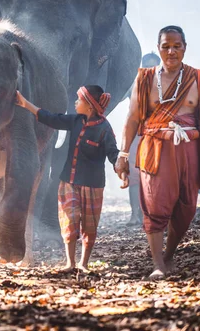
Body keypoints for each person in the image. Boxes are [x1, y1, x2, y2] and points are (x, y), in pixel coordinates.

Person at [115, 25, 200, 280]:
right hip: (155, 150)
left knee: (186, 209)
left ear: (185, 48)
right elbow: (132, 118)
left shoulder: (197, 78)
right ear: (159, 48)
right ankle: (158, 263)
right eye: (165, 46)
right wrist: (123, 155)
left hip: (189, 151)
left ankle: (170, 253)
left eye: (176, 46)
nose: (171, 51)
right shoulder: (145, 78)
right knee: (155, 205)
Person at [16, 85, 118, 273]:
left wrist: (120, 166)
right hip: (68, 181)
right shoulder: (76, 120)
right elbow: (51, 118)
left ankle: (84, 264)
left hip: (92, 184)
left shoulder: (105, 129)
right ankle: (70, 263)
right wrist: (25, 104)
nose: (75, 102)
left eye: (79, 100)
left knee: (89, 225)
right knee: (69, 221)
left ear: (89, 106)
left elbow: (113, 153)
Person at [126, 53, 162, 226]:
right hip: (136, 134)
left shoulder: (166, 84)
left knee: (157, 173)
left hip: (157, 134)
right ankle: (134, 214)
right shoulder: (134, 83)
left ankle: (152, 212)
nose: (150, 69)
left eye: (153, 66)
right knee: (134, 174)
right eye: (146, 65)